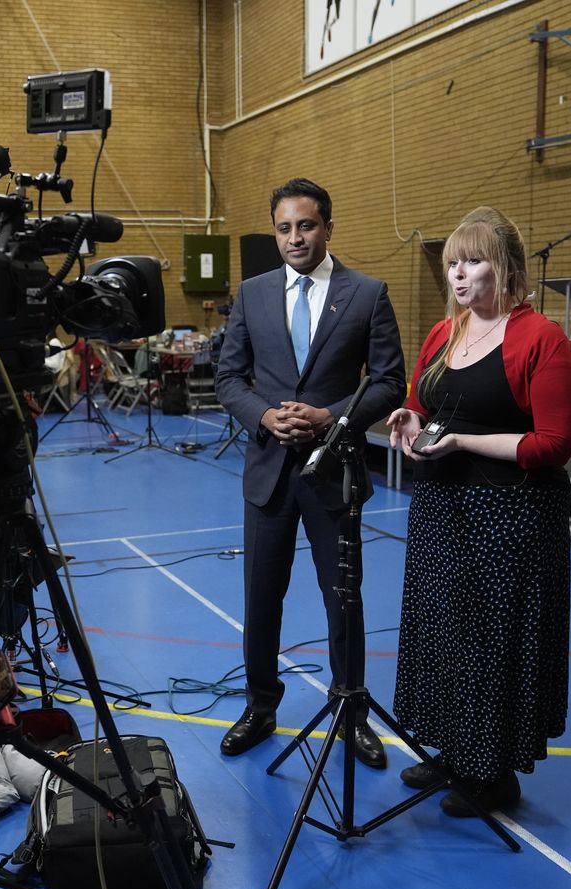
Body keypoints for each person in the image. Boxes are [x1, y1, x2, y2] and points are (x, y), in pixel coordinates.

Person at [386, 206, 571, 816]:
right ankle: (453, 750)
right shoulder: (444, 334)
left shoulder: (541, 338)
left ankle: (493, 775)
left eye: (472, 262)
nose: (458, 276)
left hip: (511, 516)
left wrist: (465, 442)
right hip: (443, 510)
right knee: (446, 633)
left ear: (507, 269)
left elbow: (554, 443)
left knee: (492, 641)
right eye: (452, 265)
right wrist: (408, 417)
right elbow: (422, 397)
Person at [214, 178, 406, 764]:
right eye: (284, 228)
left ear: (327, 226)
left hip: (334, 472)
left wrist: (331, 416)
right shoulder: (252, 293)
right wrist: (267, 416)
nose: (295, 237)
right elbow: (229, 378)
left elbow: (391, 381)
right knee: (261, 598)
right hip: (269, 470)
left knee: (343, 596)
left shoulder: (368, 294)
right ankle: (260, 706)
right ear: (276, 233)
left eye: (306, 225)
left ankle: (350, 708)